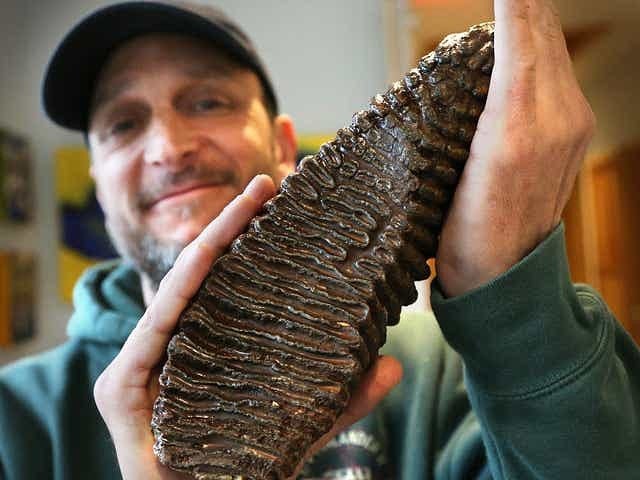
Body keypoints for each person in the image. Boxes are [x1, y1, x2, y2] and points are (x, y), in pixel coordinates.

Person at [1, 0, 639, 478]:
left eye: (207, 102)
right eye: (123, 123)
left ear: (283, 146)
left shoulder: (439, 370)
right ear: (97, 180)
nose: (169, 148)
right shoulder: (14, 421)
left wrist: (511, 294)